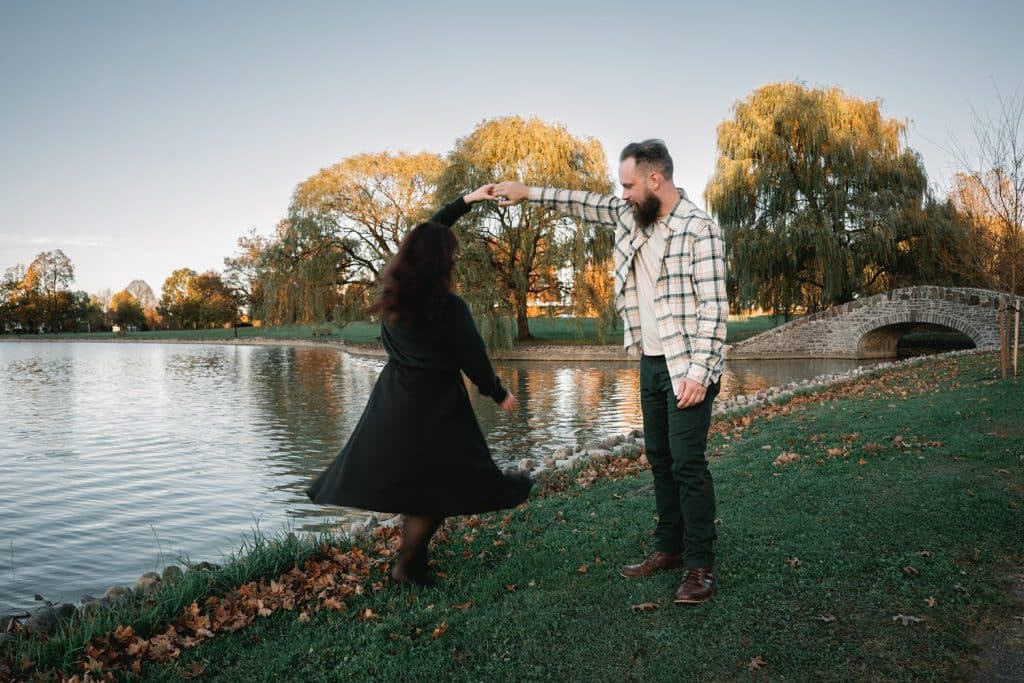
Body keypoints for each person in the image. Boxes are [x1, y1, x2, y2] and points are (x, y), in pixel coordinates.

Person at [493, 139, 728, 604]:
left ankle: (700, 565)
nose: (621, 194)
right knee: (659, 459)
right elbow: (583, 203)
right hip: (651, 361)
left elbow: (715, 311)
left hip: (690, 368)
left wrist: (698, 375)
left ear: (655, 180)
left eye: (629, 184)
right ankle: (668, 548)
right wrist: (529, 192)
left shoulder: (700, 230)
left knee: (688, 464)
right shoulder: (630, 215)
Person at [307, 184, 533, 587]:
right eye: (452, 256)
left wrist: (466, 201)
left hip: (393, 399)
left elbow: (423, 237)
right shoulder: (449, 308)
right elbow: (473, 357)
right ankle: (407, 566)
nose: (456, 260)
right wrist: (499, 392)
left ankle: (413, 562)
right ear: (440, 263)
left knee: (425, 484)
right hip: (436, 404)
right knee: (439, 486)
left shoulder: (393, 298)